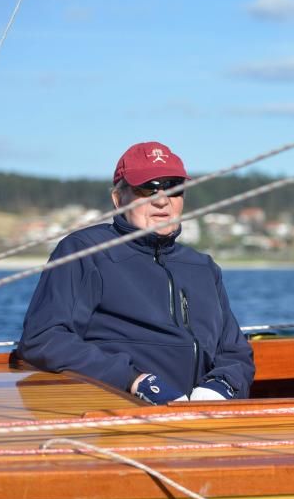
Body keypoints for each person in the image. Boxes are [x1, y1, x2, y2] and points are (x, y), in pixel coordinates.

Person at [17, 141, 255, 403]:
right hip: (119, 414)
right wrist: (133, 381)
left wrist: (220, 386)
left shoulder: (202, 267)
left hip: (201, 419)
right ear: (118, 199)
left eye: (173, 188)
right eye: (147, 189)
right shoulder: (86, 252)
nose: (162, 200)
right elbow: (44, 339)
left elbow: (235, 352)